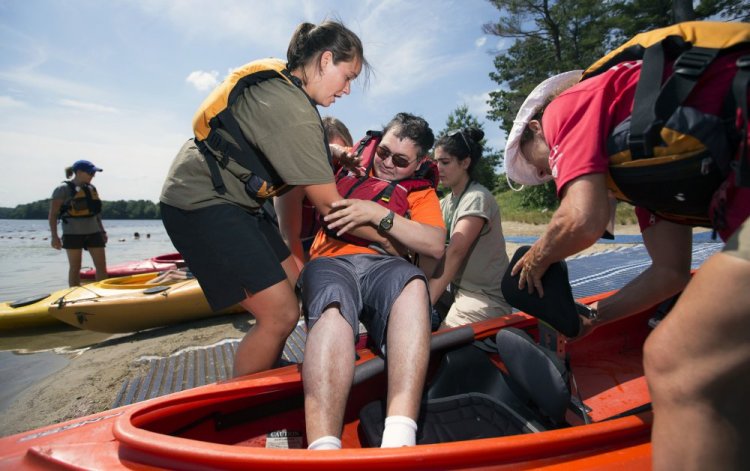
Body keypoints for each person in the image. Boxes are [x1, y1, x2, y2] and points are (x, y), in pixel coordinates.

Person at [503, 55, 750, 468]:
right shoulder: (643, 168)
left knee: (675, 356)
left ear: (535, 128)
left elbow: (582, 219)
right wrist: (596, 316)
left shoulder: (566, 106)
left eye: (538, 165)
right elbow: (670, 272)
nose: (547, 176)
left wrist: (536, 258)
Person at [159, 20, 380, 378]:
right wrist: (391, 233)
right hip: (198, 202)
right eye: (348, 76)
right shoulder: (295, 111)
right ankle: (241, 402)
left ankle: (264, 366)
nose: (348, 89)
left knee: (299, 284)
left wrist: (335, 155)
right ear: (325, 61)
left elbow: (271, 136)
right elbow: (332, 209)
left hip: (234, 201)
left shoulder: (284, 85)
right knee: (280, 314)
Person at [299, 113, 445, 450]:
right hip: (332, 261)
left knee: (412, 285)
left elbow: (435, 244)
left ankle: (399, 437)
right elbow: (300, 153)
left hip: (383, 267)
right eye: (383, 152)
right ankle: (323, 449)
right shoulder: (343, 170)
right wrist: (336, 153)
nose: (387, 164)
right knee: (332, 306)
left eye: (400, 160)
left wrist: (377, 213)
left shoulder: (419, 194)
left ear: (419, 162)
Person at [429, 127, 511, 328]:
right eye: (435, 162)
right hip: (459, 293)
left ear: (465, 163)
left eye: (445, 162)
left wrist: (424, 301)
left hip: (485, 299)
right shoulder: (446, 202)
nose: (437, 168)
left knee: (434, 345)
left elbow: (456, 251)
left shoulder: (476, 197)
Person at [275, 115, 354, 268]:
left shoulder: (347, 173)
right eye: (329, 156)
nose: (332, 165)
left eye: (340, 159)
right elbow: (289, 236)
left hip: (323, 243)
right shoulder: (298, 171)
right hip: (287, 244)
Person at [48, 159, 108, 286]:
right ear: (79, 172)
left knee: (101, 266)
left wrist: (102, 231)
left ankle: (103, 294)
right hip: (72, 233)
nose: (93, 176)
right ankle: (73, 296)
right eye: (90, 173)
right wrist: (54, 236)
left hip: (94, 232)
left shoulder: (92, 188)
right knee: (75, 267)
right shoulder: (62, 189)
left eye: (93, 173)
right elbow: (53, 214)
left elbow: (97, 213)